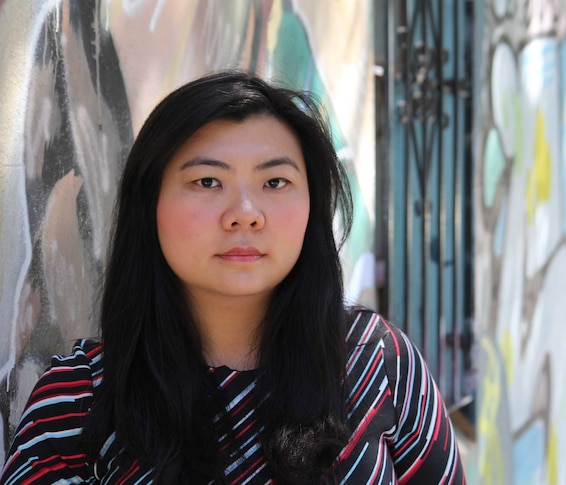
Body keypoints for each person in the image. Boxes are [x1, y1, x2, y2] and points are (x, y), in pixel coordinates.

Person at [1, 71, 465, 484]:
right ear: (151, 206)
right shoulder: (78, 401)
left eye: (275, 183)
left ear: (312, 209)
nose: (245, 214)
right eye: (207, 182)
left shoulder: (377, 363)